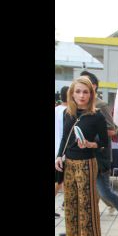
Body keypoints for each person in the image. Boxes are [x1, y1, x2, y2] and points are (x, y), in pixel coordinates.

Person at [55, 76, 109, 236]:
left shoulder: (97, 116)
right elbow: (64, 138)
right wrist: (59, 156)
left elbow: (104, 143)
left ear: (91, 94)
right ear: (72, 93)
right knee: (71, 205)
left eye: (85, 92)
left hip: (87, 163)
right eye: (78, 91)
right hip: (69, 162)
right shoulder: (67, 113)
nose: (81, 95)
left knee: (87, 206)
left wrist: (90, 144)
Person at [82, 71, 118, 236]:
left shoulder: (101, 105)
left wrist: (92, 134)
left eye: (86, 86)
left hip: (100, 156)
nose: (82, 92)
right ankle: (78, 232)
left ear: (94, 86)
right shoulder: (78, 107)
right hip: (81, 157)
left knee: (105, 193)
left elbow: (113, 130)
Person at [55, 86, 69, 218]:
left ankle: (66, 202)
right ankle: (67, 202)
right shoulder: (68, 112)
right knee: (60, 181)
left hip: (57, 150)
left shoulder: (56, 110)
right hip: (62, 152)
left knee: (61, 180)